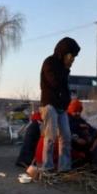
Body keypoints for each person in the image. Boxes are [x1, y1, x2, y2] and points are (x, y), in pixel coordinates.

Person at [39, 37, 80, 173]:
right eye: (71, 56)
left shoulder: (63, 68)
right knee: (50, 137)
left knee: (66, 137)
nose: (72, 59)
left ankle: (64, 168)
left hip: (61, 107)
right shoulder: (49, 62)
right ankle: (47, 167)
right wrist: (66, 70)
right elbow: (55, 83)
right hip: (49, 105)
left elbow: (64, 88)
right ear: (64, 52)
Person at [67, 98, 97, 165]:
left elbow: (89, 127)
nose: (78, 113)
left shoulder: (78, 118)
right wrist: (76, 138)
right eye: (75, 111)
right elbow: (67, 131)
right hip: (74, 145)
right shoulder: (66, 119)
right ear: (70, 109)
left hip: (85, 143)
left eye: (79, 111)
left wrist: (92, 133)